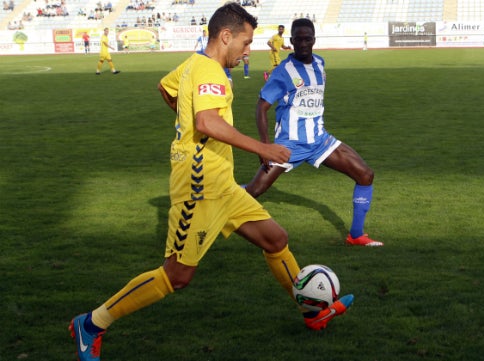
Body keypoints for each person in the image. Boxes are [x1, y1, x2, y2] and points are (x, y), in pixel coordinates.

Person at [69, 4, 354, 361]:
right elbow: (206, 122)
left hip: (223, 184)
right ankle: (92, 323)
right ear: (226, 36)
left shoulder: (193, 64)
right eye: (246, 42)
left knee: (276, 239)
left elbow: (166, 88)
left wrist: (185, 116)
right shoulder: (211, 72)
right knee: (177, 275)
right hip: (199, 186)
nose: (249, 50)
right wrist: (263, 147)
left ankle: (313, 312)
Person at [244, 18, 383, 247]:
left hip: (320, 141)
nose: (303, 43)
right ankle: (215, 202)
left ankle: (356, 235)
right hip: (289, 145)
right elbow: (261, 107)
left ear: (314, 40)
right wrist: (265, 145)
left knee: (365, 175)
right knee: (254, 190)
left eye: (307, 38)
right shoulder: (283, 72)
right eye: (298, 39)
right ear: (292, 41)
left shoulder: (320, 63)